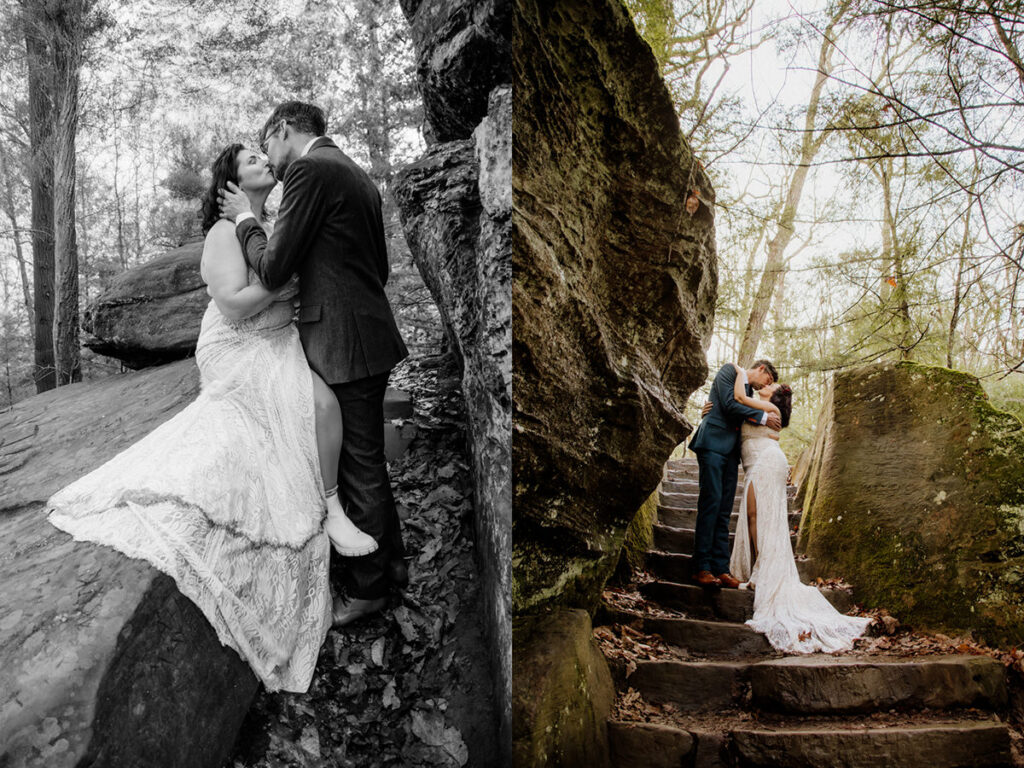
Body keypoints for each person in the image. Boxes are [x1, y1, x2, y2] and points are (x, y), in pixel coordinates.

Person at [47, 142, 373, 692]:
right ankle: (330, 510)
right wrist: (280, 286)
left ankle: (330, 507)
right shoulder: (227, 233)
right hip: (238, 344)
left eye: (262, 157)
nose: (264, 162)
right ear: (229, 183)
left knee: (317, 406)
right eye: (251, 160)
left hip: (278, 337)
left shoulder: (271, 220)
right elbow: (232, 304)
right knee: (298, 411)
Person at [217, 101, 409, 627]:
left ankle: (368, 588)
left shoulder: (307, 168)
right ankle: (390, 566)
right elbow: (382, 266)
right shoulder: (355, 174)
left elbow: (274, 267)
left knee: (357, 464)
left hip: (344, 341)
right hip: (367, 333)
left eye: (267, 144)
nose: (270, 161)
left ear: (283, 130)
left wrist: (246, 220)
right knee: (366, 455)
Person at [726, 367, 872, 652]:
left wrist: (739, 369)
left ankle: (762, 571)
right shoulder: (766, 406)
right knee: (755, 517)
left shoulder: (768, 406)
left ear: (775, 396)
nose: (767, 385)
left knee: (758, 517)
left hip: (766, 462)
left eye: (771, 385)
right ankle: (760, 569)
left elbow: (739, 398)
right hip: (757, 462)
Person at [689, 360, 781, 588]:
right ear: (761, 369)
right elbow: (729, 404)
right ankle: (701, 567)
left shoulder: (748, 391)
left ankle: (721, 568)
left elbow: (741, 412)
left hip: (732, 452)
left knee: (724, 509)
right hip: (712, 444)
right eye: (767, 380)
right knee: (711, 502)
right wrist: (763, 417)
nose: (764, 386)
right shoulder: (729, 371)